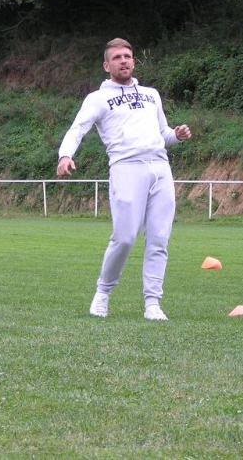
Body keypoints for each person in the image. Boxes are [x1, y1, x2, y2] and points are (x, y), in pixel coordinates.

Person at [57, 38, 192, 320]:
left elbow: (163, 134)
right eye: (117, 57)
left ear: (133, 61)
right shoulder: (98, 98)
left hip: (160, 168)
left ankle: (153, 303)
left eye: (127, 56)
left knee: (159, 239)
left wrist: (176, 136)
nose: (124, 61)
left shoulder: (151, 94)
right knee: (125, 238)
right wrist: (65, 155)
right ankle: (102, 294)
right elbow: (78, 128)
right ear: (107, 66)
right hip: (127, 168)